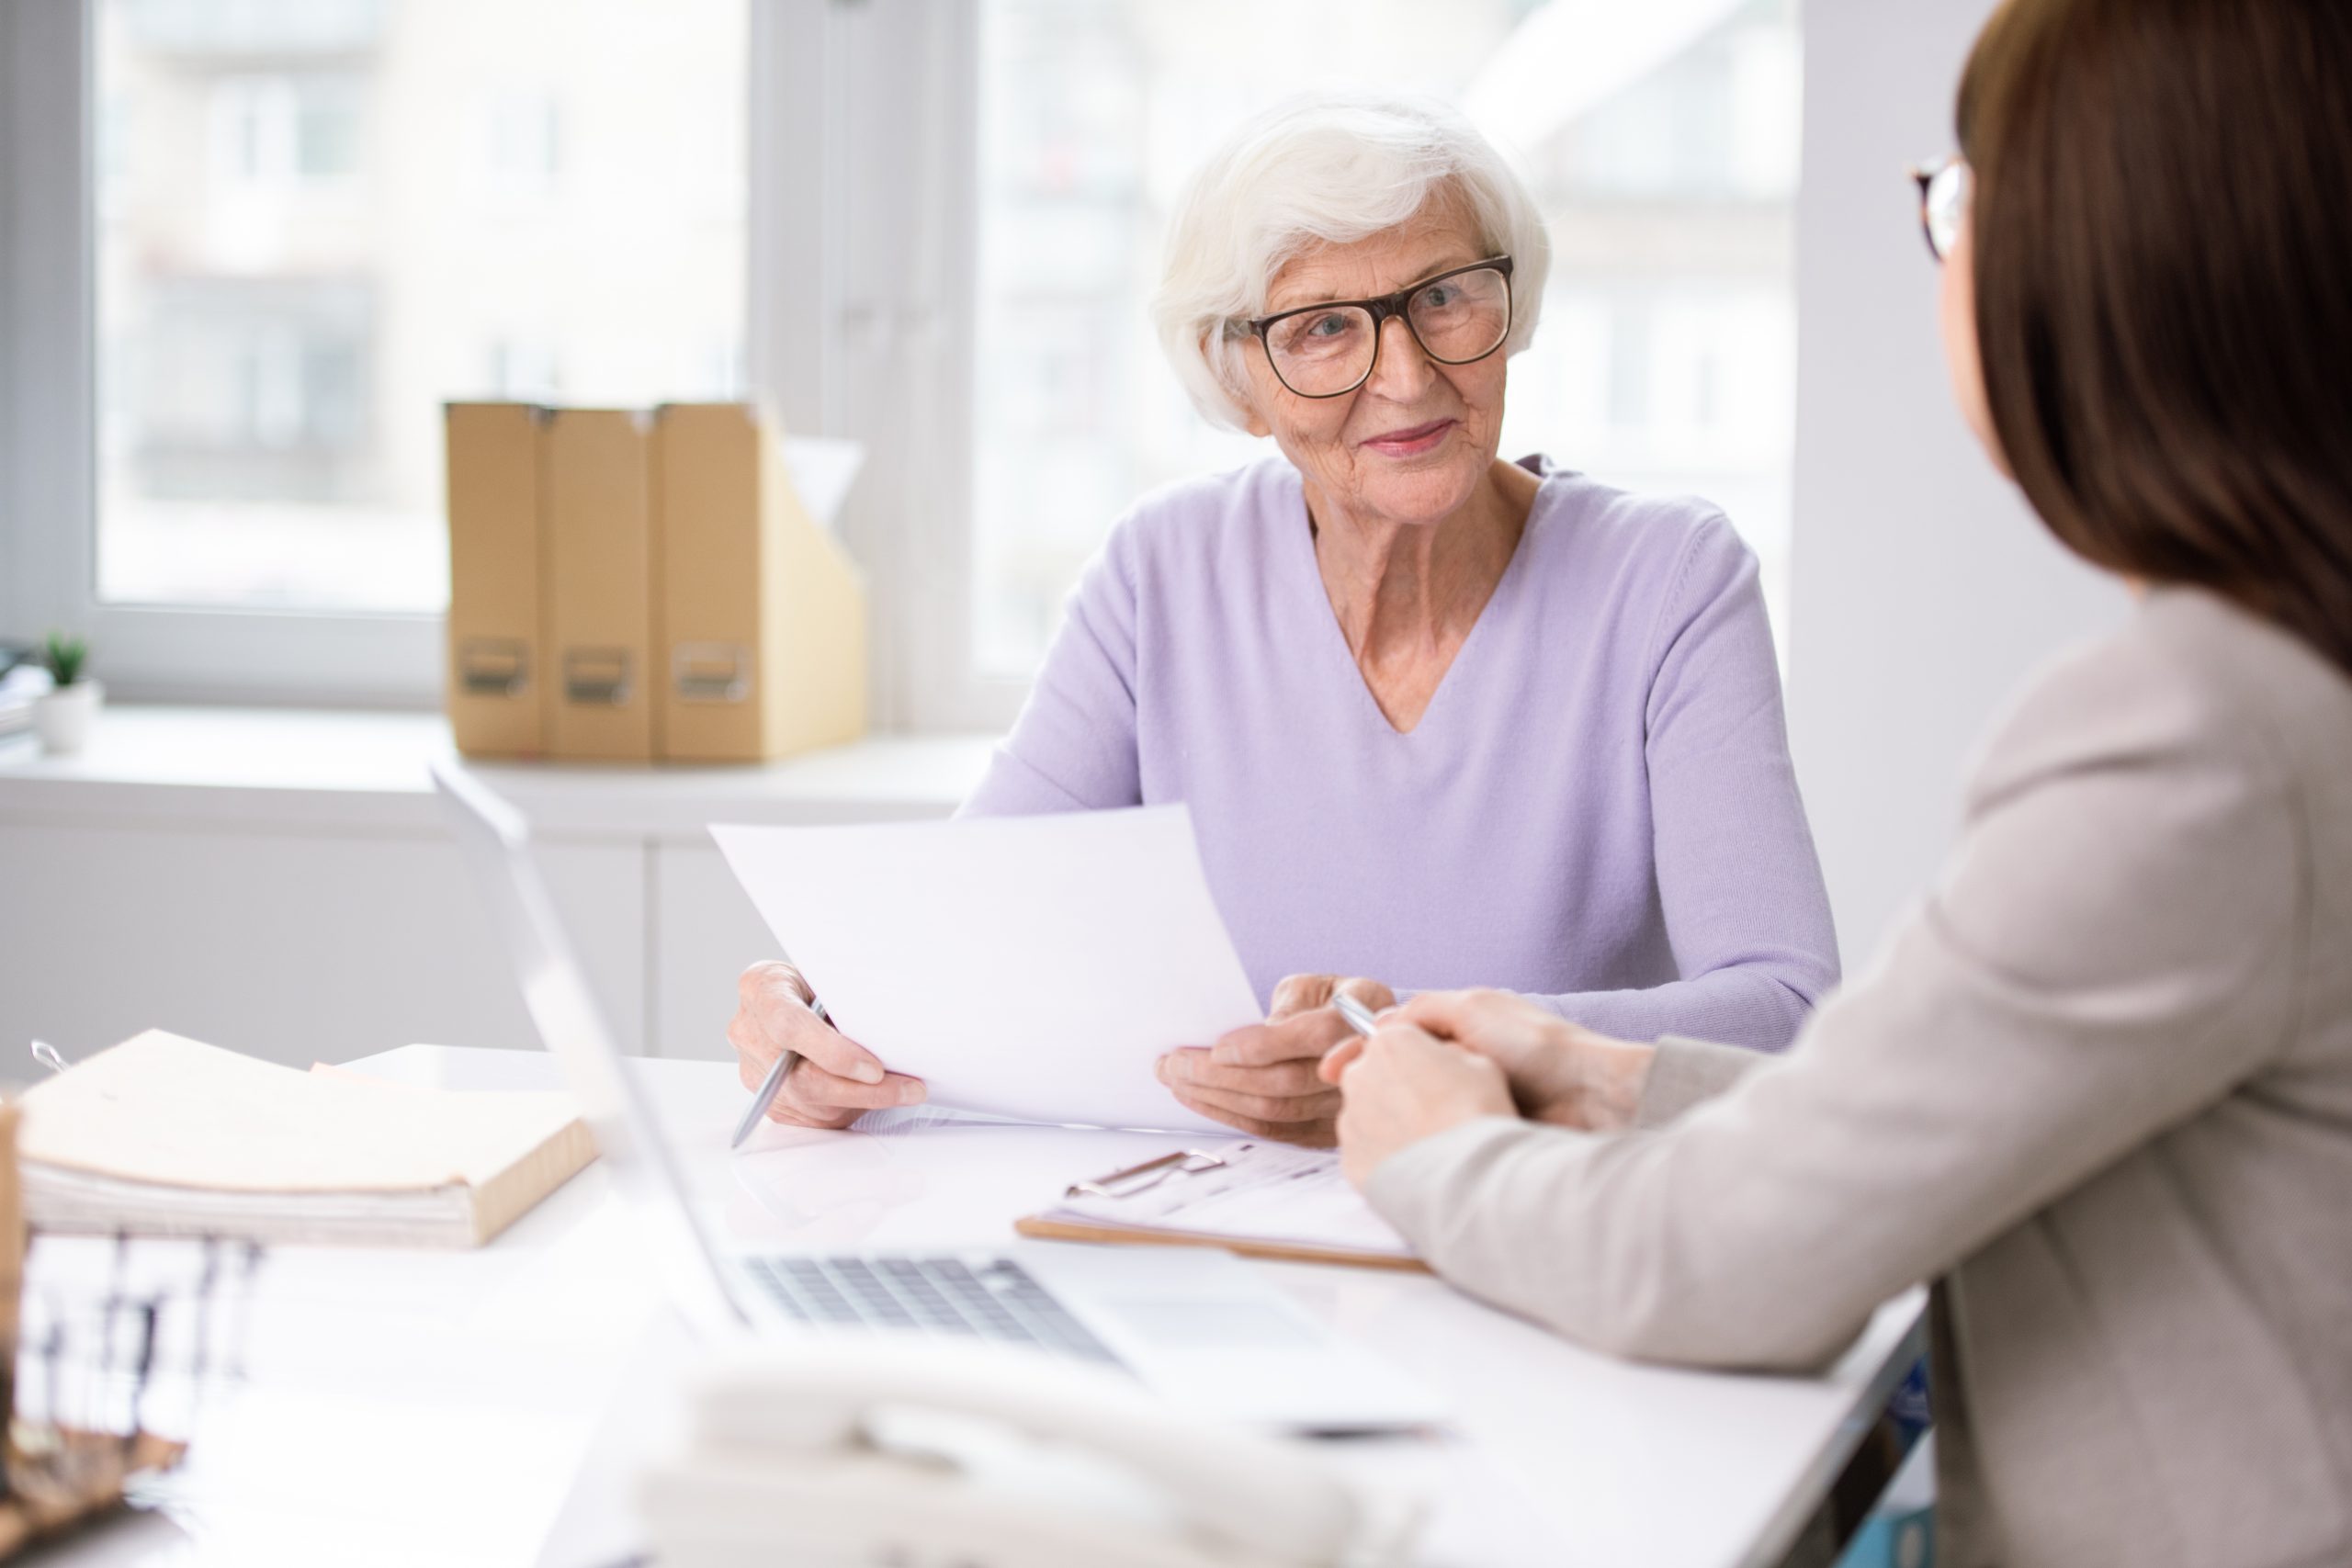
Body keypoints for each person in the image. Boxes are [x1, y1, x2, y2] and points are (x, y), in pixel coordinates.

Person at [1324, 1, 2352, 1562]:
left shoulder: (2191, 737)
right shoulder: (2281, 681)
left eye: (1960, 199)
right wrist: (1606, 1073)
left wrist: (1439, 1152)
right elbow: (1952, 1113)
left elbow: (1725, 1261)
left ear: (2112, 261)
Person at [728, 93, 1838, 1143]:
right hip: (1212, 1240)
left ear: (1512, 308)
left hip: (1532, 1233)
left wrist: (1399, 1047)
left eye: (1446, 296)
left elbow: (1785, 1013)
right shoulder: (1161, 572)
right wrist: (823, 1013)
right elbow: (963, 930)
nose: (1405, 376)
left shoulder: (1669, 579)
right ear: (1241, 379)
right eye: (1321, 329)